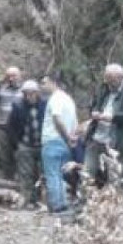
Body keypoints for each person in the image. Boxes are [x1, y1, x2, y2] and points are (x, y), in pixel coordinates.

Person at [84, 64, 123, 188]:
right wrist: (94, 112)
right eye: (106, 78)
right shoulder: (104, 88)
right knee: (87, 172)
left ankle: (112, 203)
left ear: (121, 78)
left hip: (118, 142)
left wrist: (113, 118)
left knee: (115, 177)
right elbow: (95, 104)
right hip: (97, 137)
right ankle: (86, 200)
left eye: (111, 79)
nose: (108, 82)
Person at [40, 74, 78, 214]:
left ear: (54, 83)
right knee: (60, 174)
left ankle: (57, 205)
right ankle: (62, 203)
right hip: (65, 143)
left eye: (44, 83)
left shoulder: (55, 99)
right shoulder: (68, 99)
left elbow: (57, 118)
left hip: (53, 139)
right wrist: (72, 138)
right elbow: (74, 122)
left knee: (52, 174)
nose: (42, 86)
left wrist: (67, 136)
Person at [7, 79, 45, 207]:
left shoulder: (45, 105)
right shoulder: (18, 106)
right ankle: (27, 199)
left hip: (42, 144)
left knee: (40, 173)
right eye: (26, 94)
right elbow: (11, 127)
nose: (29, 96)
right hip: (25, 144)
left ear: (37, 93)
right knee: (25, 173)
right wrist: (17, 143)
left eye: (32, 93)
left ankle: (39, 199)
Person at [0, 66, 24, 179]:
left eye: (14, 76)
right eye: (9, 76)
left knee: (20, 152)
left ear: (20, 76)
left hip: (19, 127)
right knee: (5, 154)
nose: (11, 78)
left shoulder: (24, 91)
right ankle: (8, 179)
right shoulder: (1, 89)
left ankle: (20, 178)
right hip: (2, 125)